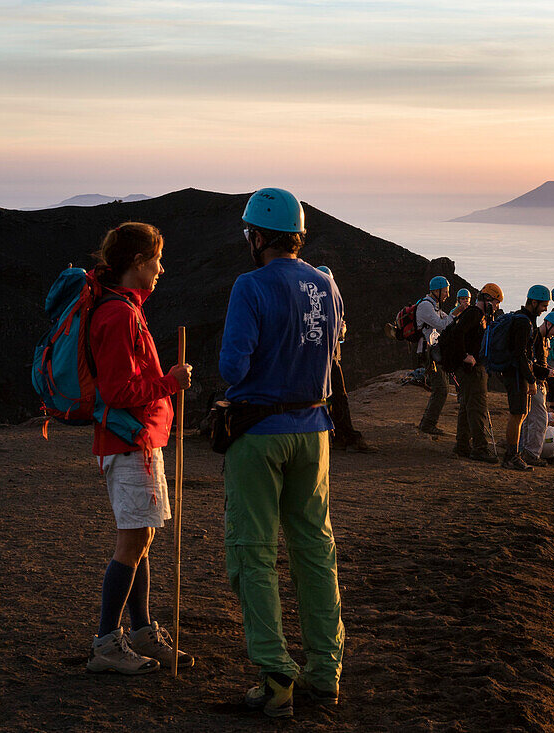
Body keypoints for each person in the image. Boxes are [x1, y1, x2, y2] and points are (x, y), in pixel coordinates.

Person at [220, 188, 344, 717]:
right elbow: (332, 349)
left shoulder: (250, 286)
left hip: (260, 432)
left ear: (258, 237)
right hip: (314, 429)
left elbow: (233, 367)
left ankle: (275, 679)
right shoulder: (325, 285)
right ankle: (325, 672)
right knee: (315, 549)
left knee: (254, 550)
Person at [86, 222, 194, 675]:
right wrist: (170, 382)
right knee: (132, 540)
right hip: (129, 442)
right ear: (136, 263)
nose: (161, 268)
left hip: (137, 441)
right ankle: (108, 643)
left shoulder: (125, 308)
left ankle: (143, 630)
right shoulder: (119, 315)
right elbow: (116, 389)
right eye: (155, 259)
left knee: (143, 537)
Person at [316, 266, 371, 453]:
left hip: (317, 360)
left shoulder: (312, 302)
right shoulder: (331, 302)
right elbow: (338, 335)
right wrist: (342, 331)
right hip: (330, 360)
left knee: (325, 399)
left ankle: (331, 434)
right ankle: (344, 435)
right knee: (339, 397)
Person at [498, 285, 552, 471]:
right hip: (516, 375)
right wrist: (530, 379)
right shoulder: (523, 323)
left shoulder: (526, 321)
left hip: (518, 373)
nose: (545, 309)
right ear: (534, 302)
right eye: (544, 305)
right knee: (517, 414)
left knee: (520, 414)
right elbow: (520, 355)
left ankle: (514, 455)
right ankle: (511, 457)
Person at [450, 283, 504, 464]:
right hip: (472, 369)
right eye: (496, 302)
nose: (496, 306)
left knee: (467, 405)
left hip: (470, 369)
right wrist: (465, 356)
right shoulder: (475, 314)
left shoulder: (477, 314)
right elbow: (457, 333)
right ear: (487, 298)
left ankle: (462, 445)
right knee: (477, 406)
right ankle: (480, 448)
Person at [520, 310, 554, 467]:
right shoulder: (536, 338)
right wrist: (546, 372)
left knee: (528, 419)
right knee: (540, 419)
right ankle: (532, 454)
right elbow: (530, 362)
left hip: (537, 382)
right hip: (534, 383)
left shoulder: (542, 339)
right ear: (548, 323)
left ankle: (523, 451)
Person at [415, 275, 454, 435]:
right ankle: (427, 424)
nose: (447, 294)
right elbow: (442, 325)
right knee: (441, 389)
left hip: (434, 352)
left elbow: (448, 322)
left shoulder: (434, 306)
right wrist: (454, 313)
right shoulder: (426, 306)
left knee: (441, 388)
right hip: (428, 353)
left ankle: (428, 423)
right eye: (445, 291)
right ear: (436, 291)